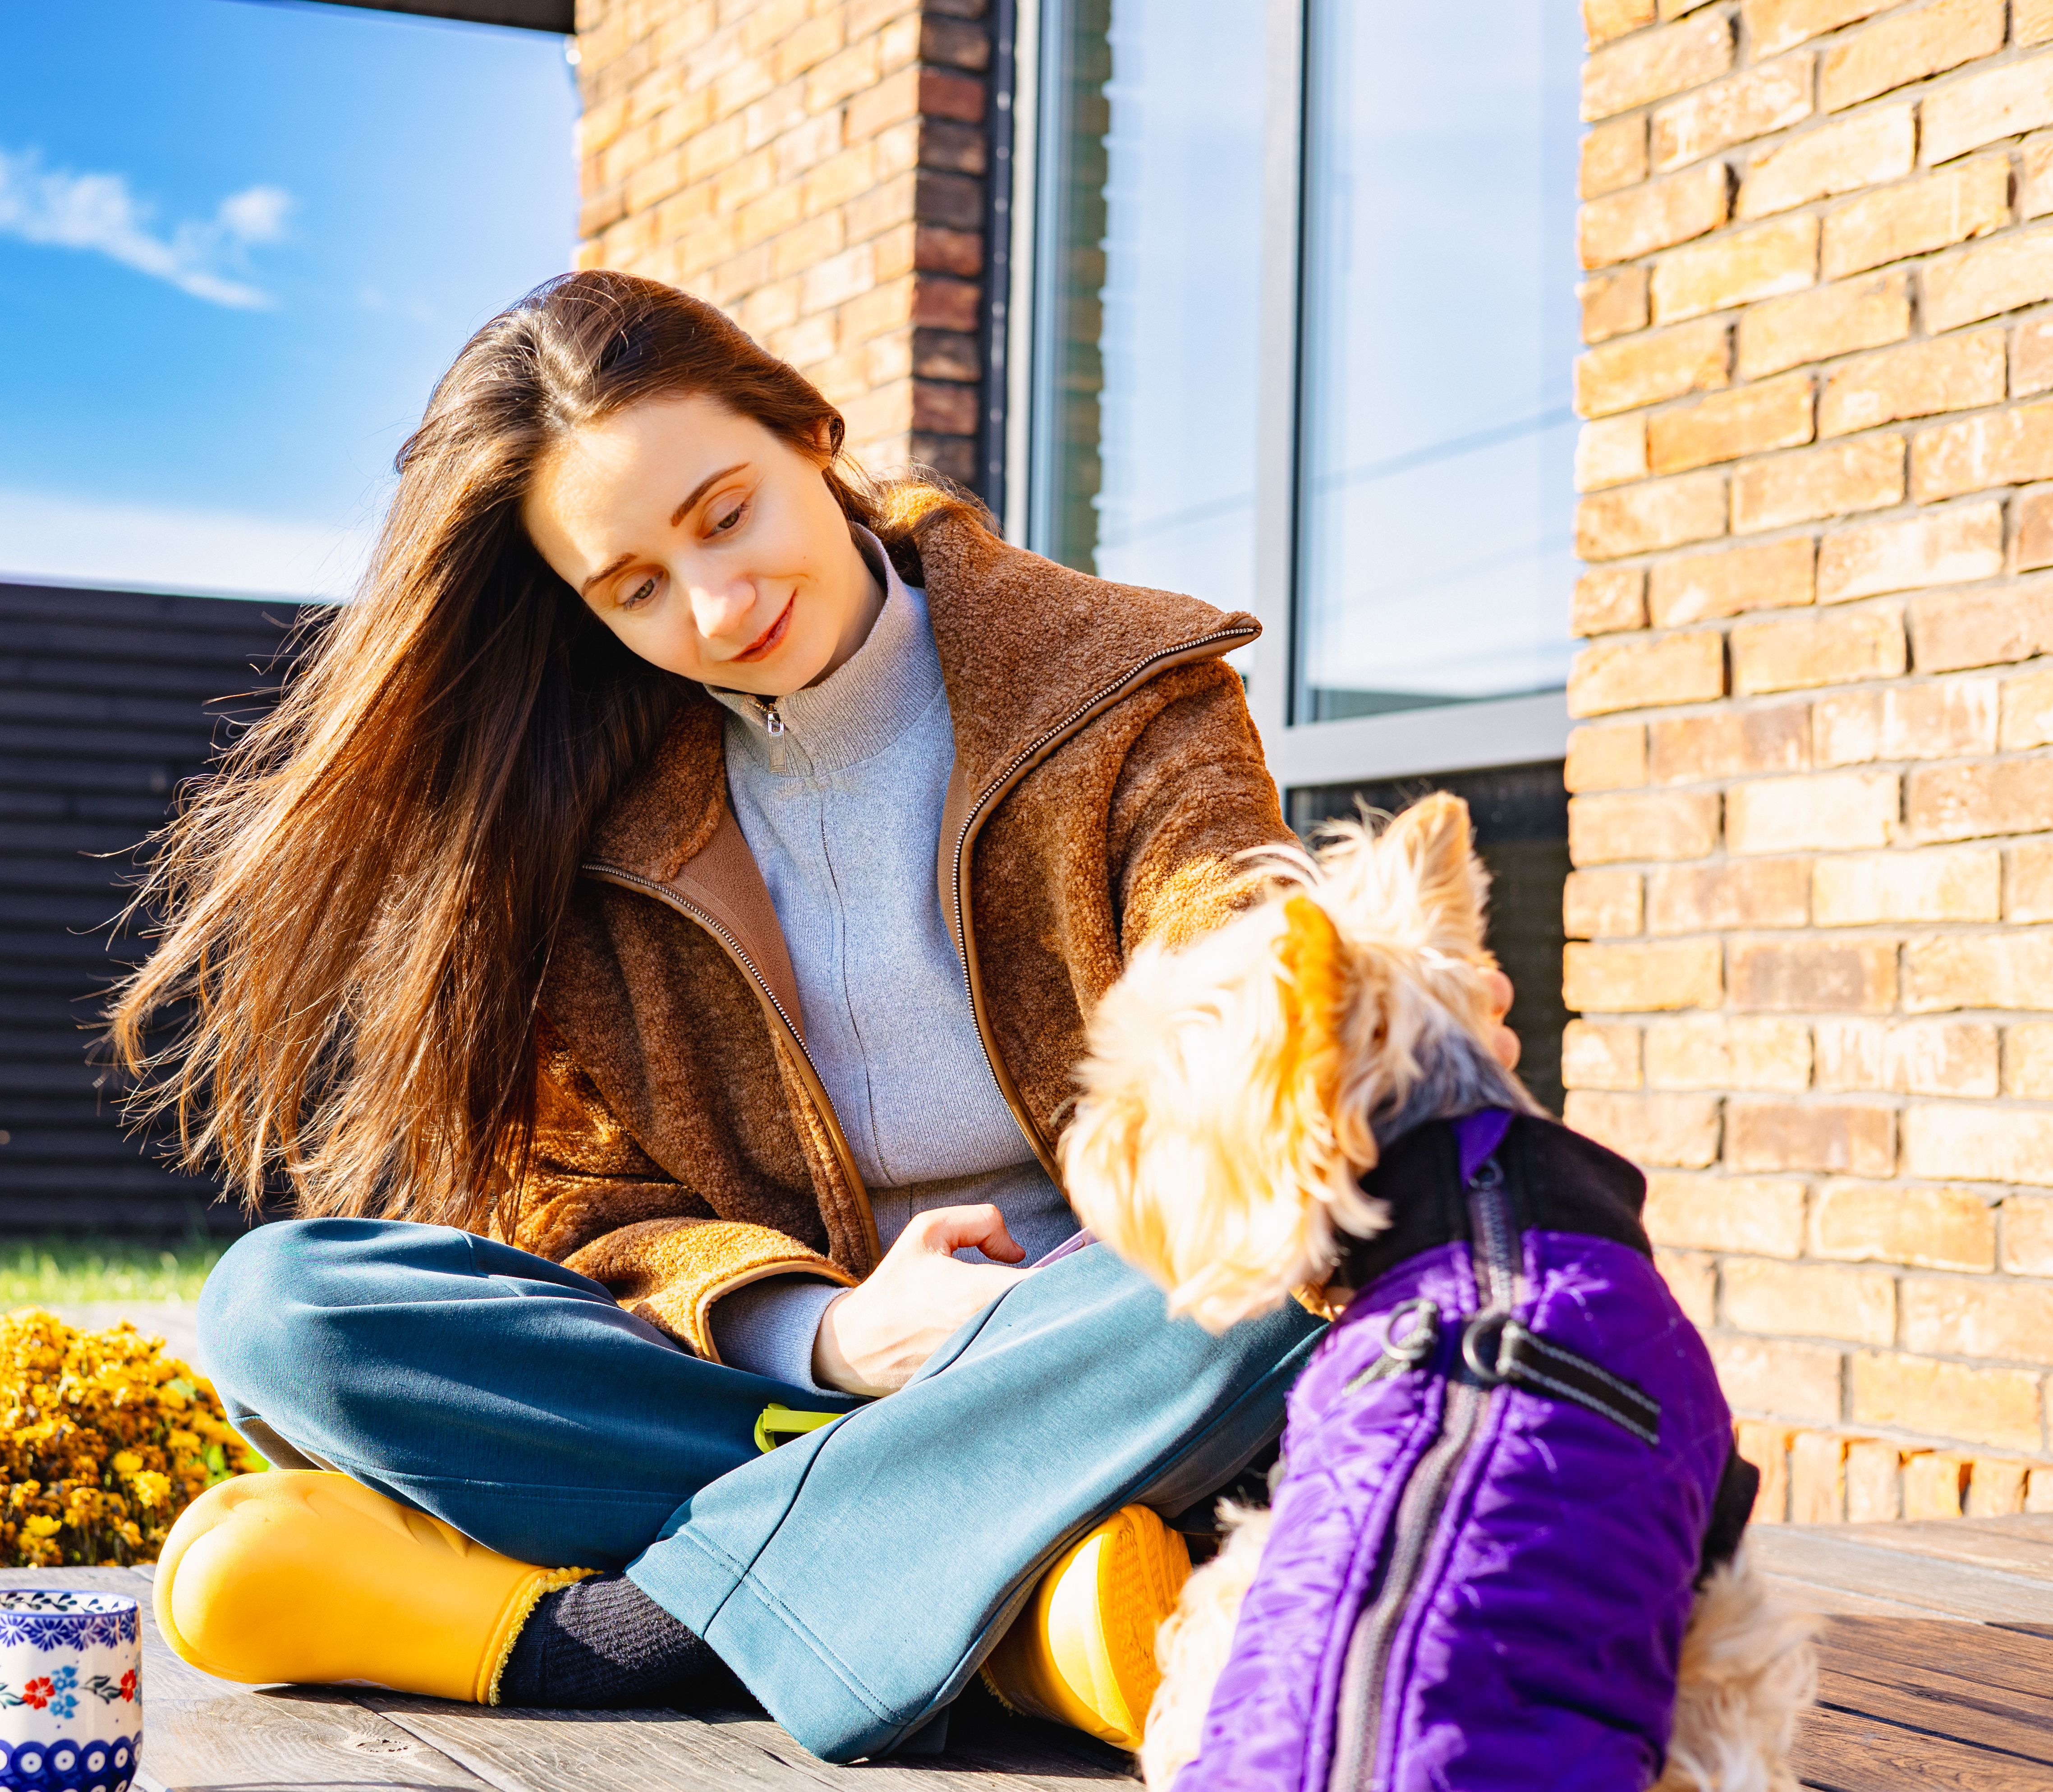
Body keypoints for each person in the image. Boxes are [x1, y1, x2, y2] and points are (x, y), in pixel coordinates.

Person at [106, 270, 1513, 1762]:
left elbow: (1222, 956)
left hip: (1119, 1325)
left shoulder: (1123, 689)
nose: (716, 605)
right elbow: (584, 1210)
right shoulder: (573, 823)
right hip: (811, 1392)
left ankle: (619, 1637)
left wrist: (1340, 1001)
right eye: (634, 587)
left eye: (727, 514)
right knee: (285, 1313)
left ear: (810, 434)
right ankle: (1009, 1602)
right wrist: (830, 1335)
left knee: (1362, 1216)